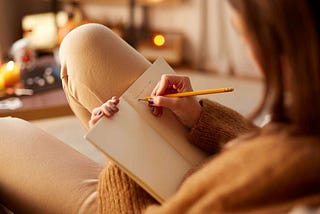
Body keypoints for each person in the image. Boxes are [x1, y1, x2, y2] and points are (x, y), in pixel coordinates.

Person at [1, 0, 320, 213]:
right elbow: (260, 145)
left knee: (4, 134)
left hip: (143, 203)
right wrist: (199, 118)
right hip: (204, 165)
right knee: (85, 42)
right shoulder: (305, 121)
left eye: (243, 33)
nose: (250, 51)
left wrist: (124, 156)